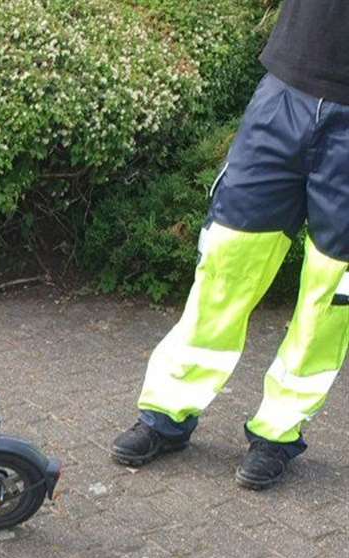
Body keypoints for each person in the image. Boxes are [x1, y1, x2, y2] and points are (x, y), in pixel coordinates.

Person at [112, 0, 348, 489]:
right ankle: (167, 413)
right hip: (286, 90)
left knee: (332, 292)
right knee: (226, 259)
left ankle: (279, 432)